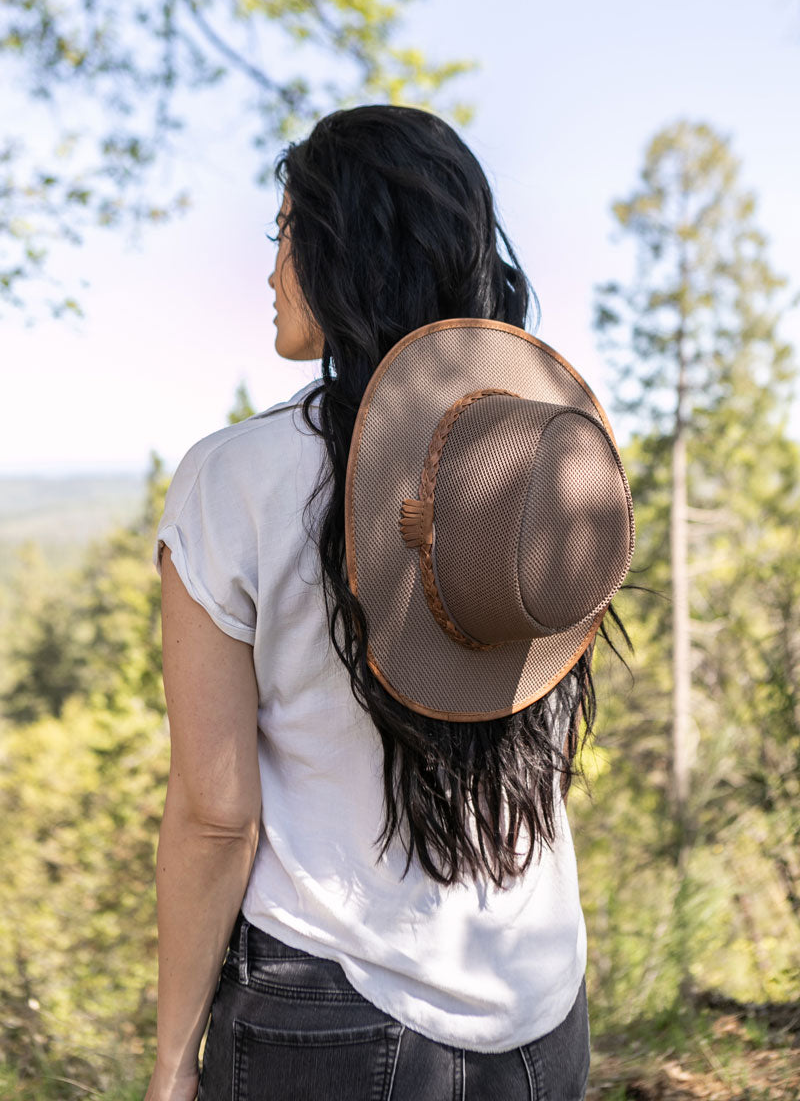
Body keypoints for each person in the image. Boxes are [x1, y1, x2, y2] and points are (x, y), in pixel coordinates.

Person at [144, 104, 634, 1101]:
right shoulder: (543, 452)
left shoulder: (231, 479)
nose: (269, 269)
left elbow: (214, 817)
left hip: (327, 1013)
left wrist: (167, 1063)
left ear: (338, 247)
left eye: (282, 233)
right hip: (539, 1008)